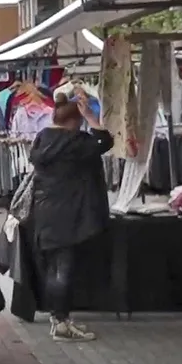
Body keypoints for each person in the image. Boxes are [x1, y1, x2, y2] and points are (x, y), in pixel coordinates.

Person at [30, 93, 112, 342]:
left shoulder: (42, 139)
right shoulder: (77, 142)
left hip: (45, 212)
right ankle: (61, 321)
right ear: (75, 120)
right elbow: (105, 141)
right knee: (63, 269)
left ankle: (59, 319)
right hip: (71, 213)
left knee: (54, 267)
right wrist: (91, 117)